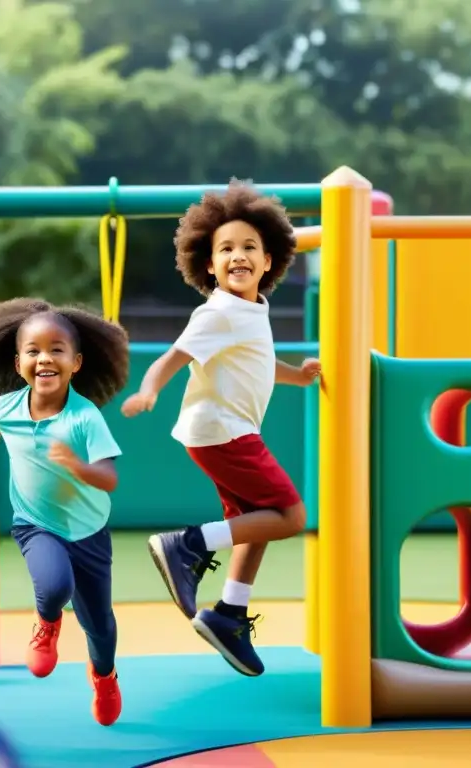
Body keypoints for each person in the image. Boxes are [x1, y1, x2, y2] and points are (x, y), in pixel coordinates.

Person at [121, 180, 320, 677]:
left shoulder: (251, 309)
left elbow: (257, 358)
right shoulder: (218, 311)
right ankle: (185, 544)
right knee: (291, 515)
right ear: (208, 264)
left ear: (269, 261)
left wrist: (298, 376)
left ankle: (229, 613)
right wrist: (149, 391)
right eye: (225, 249)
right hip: (223, 432)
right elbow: (173, 357)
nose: (238, 256)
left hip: (222, 431)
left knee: (256, 522)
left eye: (249, 247)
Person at [0, 298, 130, 726]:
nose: (45, 358)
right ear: (18, 363)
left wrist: (78, 466)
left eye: (57, 350)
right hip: (36, 525)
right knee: (54, 586)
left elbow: (109, 478)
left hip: (89, 531)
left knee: (101, 627)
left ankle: (105, 675)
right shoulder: (5, 408)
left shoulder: (84, 417)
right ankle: (47, 623)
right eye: (33, 351)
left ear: (76, 362)